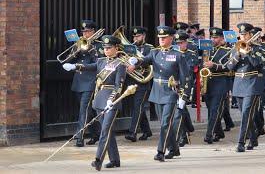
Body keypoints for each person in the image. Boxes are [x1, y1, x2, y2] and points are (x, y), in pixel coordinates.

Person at [63, 35, 126, 170]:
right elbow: (89, 67)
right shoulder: (101, 61)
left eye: (109, 48)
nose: (106, 50)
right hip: (99, 100)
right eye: (105, 48)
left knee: (104, 131)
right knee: (108, 132)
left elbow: (118, 85)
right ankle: (115, 160)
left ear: (116, 48)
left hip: (111, 101)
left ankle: (98, 160)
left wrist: (112, 99)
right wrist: (75, 66)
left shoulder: (120, 64)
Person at [127, 26, 190, 162]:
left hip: (171, 92)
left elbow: (186, 77)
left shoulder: (178, 55)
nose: (161, 40)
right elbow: (144, 61)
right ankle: (174, 149)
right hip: (157, 91)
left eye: (164, 37)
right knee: (164, 123)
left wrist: (184, 96)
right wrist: (135, 61)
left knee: (165, 123)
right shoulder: (155, 53)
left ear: (171, 38)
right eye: (160, 38)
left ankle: (160, 151)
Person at [62, 20, 102, 147]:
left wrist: (90, 50)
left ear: (94, 31)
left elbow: (98, 64)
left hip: (90, 81)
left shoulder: (99, 45)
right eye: (84, 31)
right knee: (87, 111)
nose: (85, 34)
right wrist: (76, 51)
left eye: (88, 31)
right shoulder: (78, 44)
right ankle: (96, 134)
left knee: (83, 109)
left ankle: (80, 137)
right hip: (79, 82)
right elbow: (67, 60)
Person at [227, 23, 264, 152]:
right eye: (241, 34)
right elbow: (229, 67)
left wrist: (248, 53)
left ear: (250, 34)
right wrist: (238, 55)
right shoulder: (235, 47)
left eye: (245, 34)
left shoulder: (258, 48)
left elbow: (258, 64)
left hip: (252, 84)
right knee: (246, 114)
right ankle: (253, 138)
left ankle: (241, 142)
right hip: (238, 84)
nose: (243, 36)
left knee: (246, 114)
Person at [124, 26, 154, 142]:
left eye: (138, 36)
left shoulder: (149, 48)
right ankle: (147, 131)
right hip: (131, 81)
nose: (136, 38)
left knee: (138, 107)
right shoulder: (129, 48)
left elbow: (150, 61)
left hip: (143, 82)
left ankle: (133, 132)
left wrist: (135, 66)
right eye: (134, 36)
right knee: (138, 107)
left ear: (144, 36)